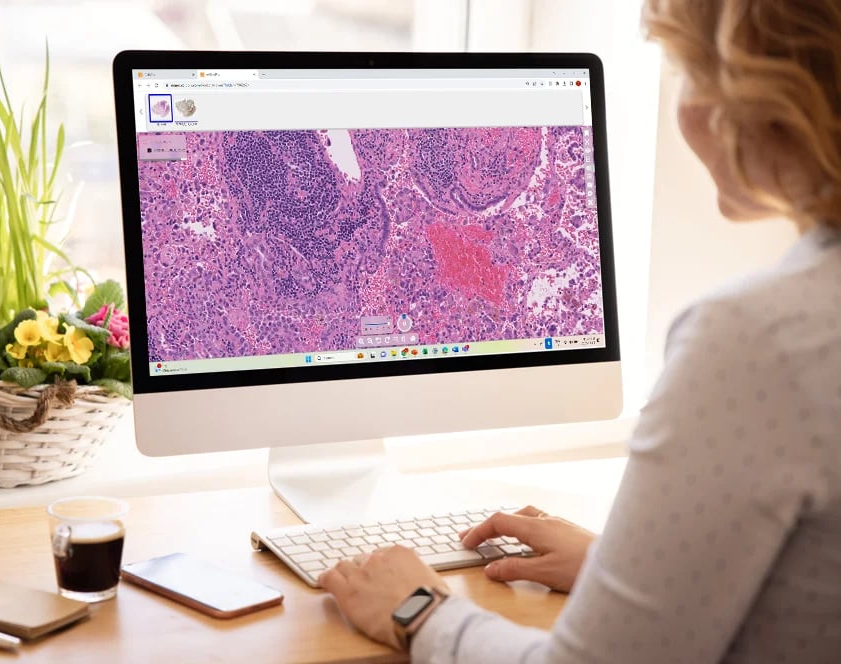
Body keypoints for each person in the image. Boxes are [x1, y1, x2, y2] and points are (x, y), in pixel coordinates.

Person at [319, 1, 841, 662]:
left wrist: (418, 608)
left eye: (692, 76)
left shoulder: (755, 344)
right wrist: (620, 569)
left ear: (759, 96)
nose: (686, 113)